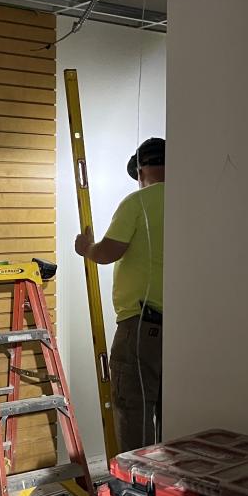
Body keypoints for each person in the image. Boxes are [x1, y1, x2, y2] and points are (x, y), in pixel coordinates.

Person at [74, 137, 164, 453]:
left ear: (140, 170)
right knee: (172, 414)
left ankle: (134, 494)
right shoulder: (192, 200)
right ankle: (167, 490)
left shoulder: (137, 203)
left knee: (134, 413)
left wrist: (87, 248)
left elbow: (109, 252)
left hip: (141, 328)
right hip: (181, 329)